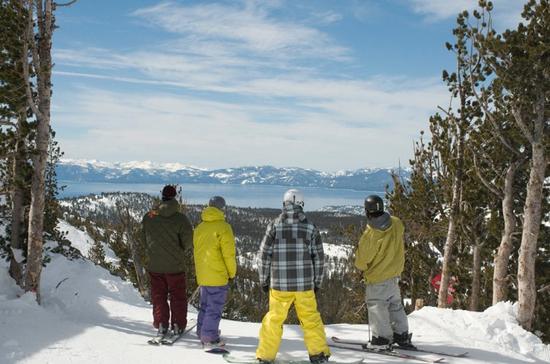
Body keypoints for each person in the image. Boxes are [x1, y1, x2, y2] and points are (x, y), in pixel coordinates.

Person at [256, 189, 330, 364]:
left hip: (279, 285)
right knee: (310, 319)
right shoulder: (310, 227)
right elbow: (319, 258)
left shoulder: (274, 225)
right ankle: (318, 355)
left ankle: (265, 357)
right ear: (301, 204)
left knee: (274, 320)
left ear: (284, 203)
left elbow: (263, 255)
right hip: (304, 285)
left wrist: (264, 279)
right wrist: (317, 282)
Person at [354, 195, 414, 350]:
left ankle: (381, 339)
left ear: (367, 211)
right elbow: (399, 229)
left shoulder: (372, 234)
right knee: (395, 306)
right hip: (394, 275)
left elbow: (361, 261)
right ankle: (401, 335)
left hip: (378, 277)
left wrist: (362, 267)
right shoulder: (396, 222)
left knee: (377, 306)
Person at [142, 185, 193, 338]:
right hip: (175, 265)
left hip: (155, 265)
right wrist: (179, 250)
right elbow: (188, 242)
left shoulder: (150, 216)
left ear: (161, 196)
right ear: (175, 197)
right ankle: (177, 324)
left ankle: (161, 324)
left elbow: (144, 238)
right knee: (177, 296)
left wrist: (152, 252)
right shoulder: (180, 218)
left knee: (158, 295)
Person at [193, 196, 237, 349]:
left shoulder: (199, 228)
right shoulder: (224, 227)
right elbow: (228, 254)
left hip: (203, 274)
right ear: (222, 209)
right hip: (217, 275)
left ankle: (202, 331)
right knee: (215, 307)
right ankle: (209, 338)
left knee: (205, 305)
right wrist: (232, 273)